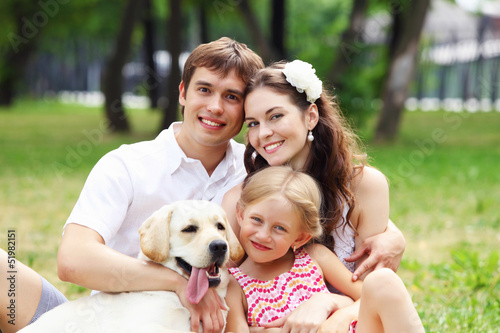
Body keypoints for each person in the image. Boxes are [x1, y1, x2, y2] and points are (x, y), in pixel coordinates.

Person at [0, 37, 264, 333]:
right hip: (103, 322)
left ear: (247, 107)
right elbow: (73, 259)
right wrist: (181, 284)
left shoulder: (256, 175)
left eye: (232, 97)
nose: (215, 106)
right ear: (182, 93)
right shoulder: (127, 164)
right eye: (204, 90)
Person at [221, 59, 405, 329]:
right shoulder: (243, 199)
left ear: (311, 116)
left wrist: (327, 305)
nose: (264, 133)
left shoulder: (365, 185)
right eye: (253, 123)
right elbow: (224, 288)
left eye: (275, 116)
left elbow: (373, 291)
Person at [224, 166, 424, 333]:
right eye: (257, 220)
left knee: (383, 281)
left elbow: (365, 297)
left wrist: (332, 304)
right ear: (240, 214)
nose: (263, 235)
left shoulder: (314, 256)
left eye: (280, 228)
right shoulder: (234, 284)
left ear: (301, 237)